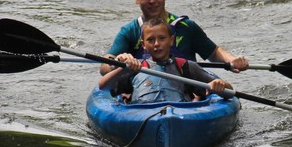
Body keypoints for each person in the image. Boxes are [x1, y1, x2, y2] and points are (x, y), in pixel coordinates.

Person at [99, 0, 249, 75]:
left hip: (187, 93)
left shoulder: (186, 27)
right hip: (144, 94)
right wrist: (118, 61)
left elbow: (214, 52)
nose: (152, 0)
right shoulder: (130, 31)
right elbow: (105, 65)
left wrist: (232, 60)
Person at [99, 18, 231, 103]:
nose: (157, 44)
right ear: (143, 44)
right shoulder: (135, 68)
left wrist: (220, 85)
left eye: (162, 38)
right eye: (151, 40)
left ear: (171, 40)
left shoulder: (187, 67)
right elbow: (103, 86)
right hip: (142, 114)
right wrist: (122, 69)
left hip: (181, 115)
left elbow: (229, 93)